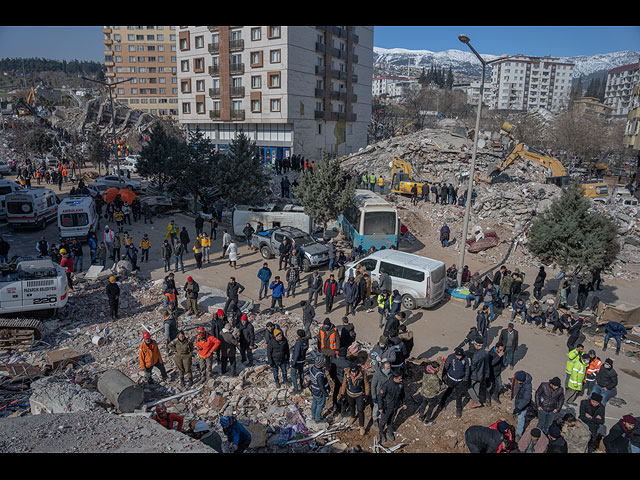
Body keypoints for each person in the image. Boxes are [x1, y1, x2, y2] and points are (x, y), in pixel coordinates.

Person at [339, 364, 370, 436]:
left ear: (357, 370)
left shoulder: (362, 374)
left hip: (359, 395)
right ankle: (353, 417)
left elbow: (366, 385)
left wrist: (366, 395)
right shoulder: (347, 374)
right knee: (351, 406)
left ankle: (361, 426)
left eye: (355, 372)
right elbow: (344, 384)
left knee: (360, 410)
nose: (354, 374)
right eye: (352, 372)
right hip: (350, 394)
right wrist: (342, 393)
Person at [377, 371, 407, 443]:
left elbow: (402, 394)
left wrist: (404, 403)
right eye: (399, 379)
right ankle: (381, 433)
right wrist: (380, 407)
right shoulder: (386, 385)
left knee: (391, 420)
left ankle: (389, 432)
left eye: (401, 378)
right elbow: (380, 397)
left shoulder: (401, 384)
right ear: (395, 378)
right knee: (383, 421)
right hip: (386, 407)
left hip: (395, 406)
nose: (401, 380)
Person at [439, 347, 469, 419]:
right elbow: (445, 367)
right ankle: (442, 402)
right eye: (458, 356)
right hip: (451, 379)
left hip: (460, 381)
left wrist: (465, 379)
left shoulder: (465, 359)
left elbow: (467, 369)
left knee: (459, 395)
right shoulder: (450, 357)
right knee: (448, 391)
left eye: (460, 356)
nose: (459, 357)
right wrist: (443, 377)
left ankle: (458, 409)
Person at [418, 361, 445, 426]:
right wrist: (444, 386)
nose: (439, 369)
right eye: (438, 368)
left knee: (423, 404)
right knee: (431, 407)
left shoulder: (426, 370)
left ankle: (421, 417)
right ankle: (427, 421)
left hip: (424, 391)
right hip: (431, 395)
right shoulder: (434, 377)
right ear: (435, 368)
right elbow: (437, 389)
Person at [309, 356, 330, 424]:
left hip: (314, 390)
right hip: (319, 392)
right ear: (320, 364)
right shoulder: (319, 375)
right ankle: (317, 418)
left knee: (314, 402)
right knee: (320, 404)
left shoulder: (312, 367)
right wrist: (326, 394)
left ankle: (313, 415)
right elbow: (321, 386)